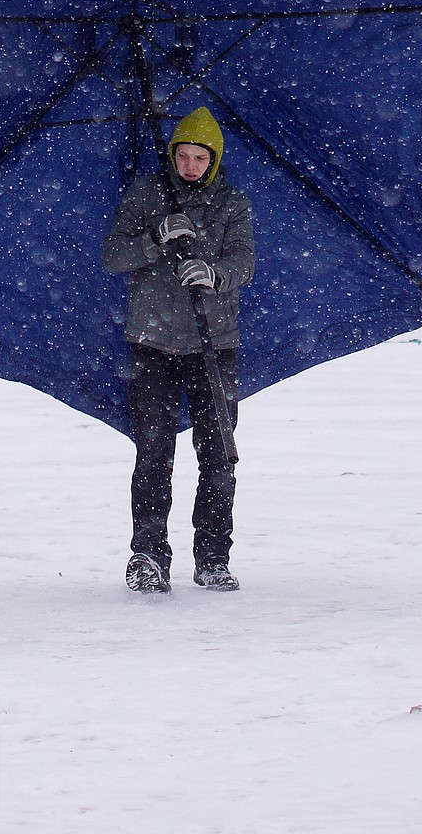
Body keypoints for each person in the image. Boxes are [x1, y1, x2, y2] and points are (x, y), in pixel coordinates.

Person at [102, 106, 254, 595]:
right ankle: (148, 555)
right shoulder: (148, 195)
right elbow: (113, 256)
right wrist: (155, 239)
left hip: (214, 343)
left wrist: (213, 274)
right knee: (153, 453)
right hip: (152, 342)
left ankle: (213, 556)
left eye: (199, 158)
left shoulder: (232, 204)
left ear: (214, 159)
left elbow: (243, 260)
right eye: (182, 156)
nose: (190, 166)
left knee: (218, 455)